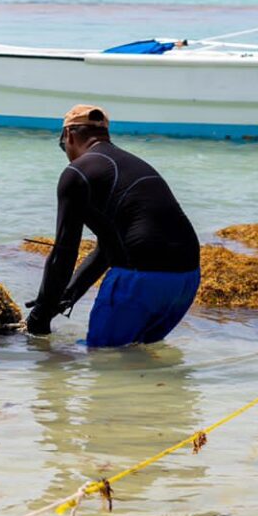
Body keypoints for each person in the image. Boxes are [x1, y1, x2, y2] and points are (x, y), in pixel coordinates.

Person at [25, 104, 201, 347]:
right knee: (135, 357)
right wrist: (68, 295)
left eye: (62, 145)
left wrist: (39, 320)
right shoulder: (132, 164)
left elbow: (63, 254)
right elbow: (110, 247)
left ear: (69, 136)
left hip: (141, 278)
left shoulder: (77, 174)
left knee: (103, 360)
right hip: (185, 279)